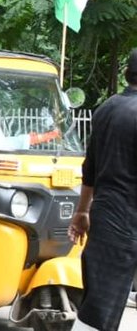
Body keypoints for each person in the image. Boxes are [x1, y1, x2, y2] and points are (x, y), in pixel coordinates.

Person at [69, 49, 137, 331]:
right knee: (100, 311)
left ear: (126, 74)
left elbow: (90, 168)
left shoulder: (106, 109)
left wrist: (82, 211)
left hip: (106, 216)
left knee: (98, 305)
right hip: (128, 220)